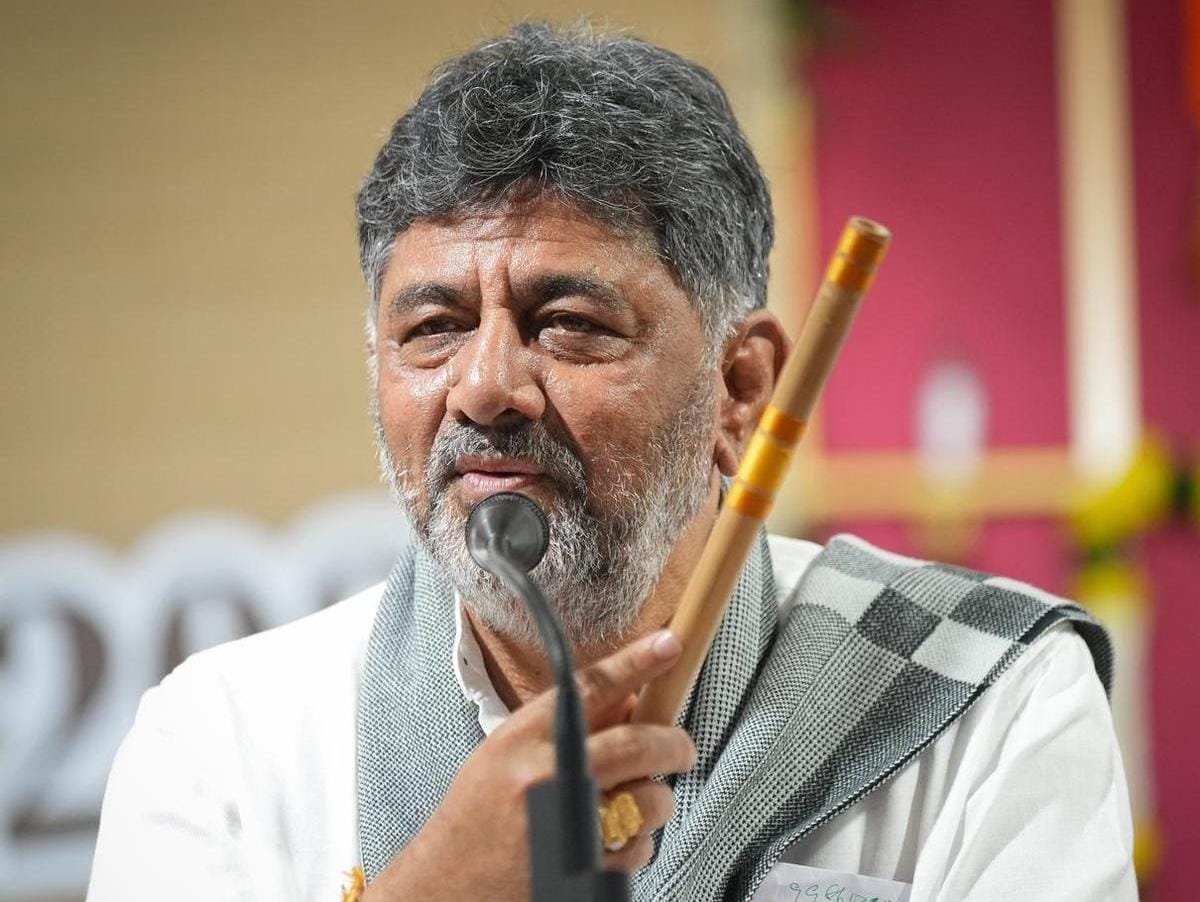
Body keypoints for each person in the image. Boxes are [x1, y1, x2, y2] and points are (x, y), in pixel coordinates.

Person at [88, 22, 1136, 902]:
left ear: (740, 389)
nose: (485, 387)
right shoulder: (226, 739)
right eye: (433, 328)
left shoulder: (982, 700)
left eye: (569, 322)